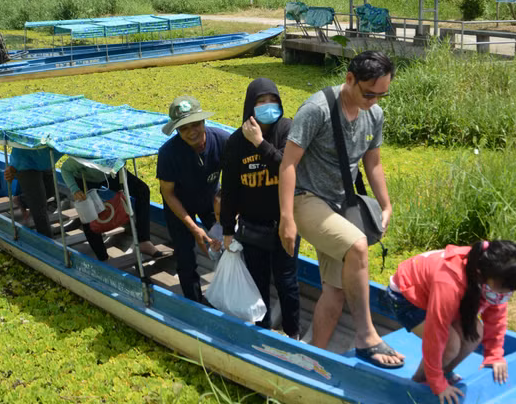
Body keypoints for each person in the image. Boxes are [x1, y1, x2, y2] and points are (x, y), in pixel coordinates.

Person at [278, 50, 403, 368]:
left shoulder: (374, 115)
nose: (374, 101)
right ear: (349, 79)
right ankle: (366, 336)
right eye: (369, 93)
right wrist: (287, 218)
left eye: (382, 95)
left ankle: (314, 358)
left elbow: (373, 163)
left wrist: (386, 204)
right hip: (306, 198)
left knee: (335, 291)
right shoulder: (317, 109)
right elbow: (288, 164)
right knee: (357, 246)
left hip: (339, 205)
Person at [385, 240, 516, 404]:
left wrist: (494, 354)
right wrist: (437, 384)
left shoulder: (491, 273)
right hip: (406, 297)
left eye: (506, 293)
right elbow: (435, 335)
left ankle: (443, 373)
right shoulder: (449, 282)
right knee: (450, 345)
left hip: (439, 295)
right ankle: (419, 384)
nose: (502, 296)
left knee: (475, 335)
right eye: (499, 292)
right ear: (481, 275)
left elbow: (496, 316)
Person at [221, 78, 301, 339]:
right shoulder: (235, 142)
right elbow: (230, 188)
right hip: (252, 227)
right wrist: (227, 229)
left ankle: (293, 333)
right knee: (257, 282)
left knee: (287, 281)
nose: (268, 106)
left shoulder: (287, 129)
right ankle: (262, 331)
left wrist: (259, 142)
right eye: (261, 101)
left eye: (272, 100)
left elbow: (287, 167)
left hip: (284, 223)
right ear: (250, 106)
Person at [157, 95, 229, 303]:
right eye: (184, 128)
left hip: (211, 201)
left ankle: (228, 293)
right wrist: (194, 227)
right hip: (179, 206)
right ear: (176, 130)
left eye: (195, 124)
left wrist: (230, 211)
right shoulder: (168, 154)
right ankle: (194, 302)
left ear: (203, 121)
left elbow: (236, 179)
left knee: (228, 245)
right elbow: (167, 193)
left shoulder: (222, 141)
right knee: (186, 257)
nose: (191, 132)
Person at [59, 157, 161, 261]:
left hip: (110, 173)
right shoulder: (82, 157)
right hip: (84, 177)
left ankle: (144, 241)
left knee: (142, 190)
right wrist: (75, 189)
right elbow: (65, 169)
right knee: (89, 214)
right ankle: (102, 257)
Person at [3, 147, 55, 237]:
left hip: (43, 158)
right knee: (39, 206)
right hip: (26, 163)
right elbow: (21, 144)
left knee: (50, 191)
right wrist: (15, 165)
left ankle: (21, 200)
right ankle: (47, 241)